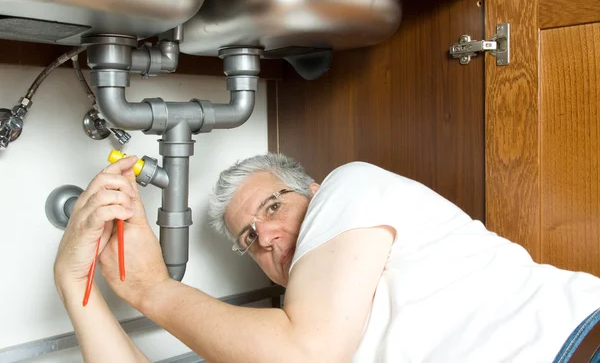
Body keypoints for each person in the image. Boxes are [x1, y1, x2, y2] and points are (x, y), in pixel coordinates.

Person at [54, 153, 600, 363]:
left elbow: (307, 350)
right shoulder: (280, 335)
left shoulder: (348, 185)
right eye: (249, 238)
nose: (266, 236)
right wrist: (75, 282)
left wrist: (148, 286)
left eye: (273, 205)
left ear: (313, 192)